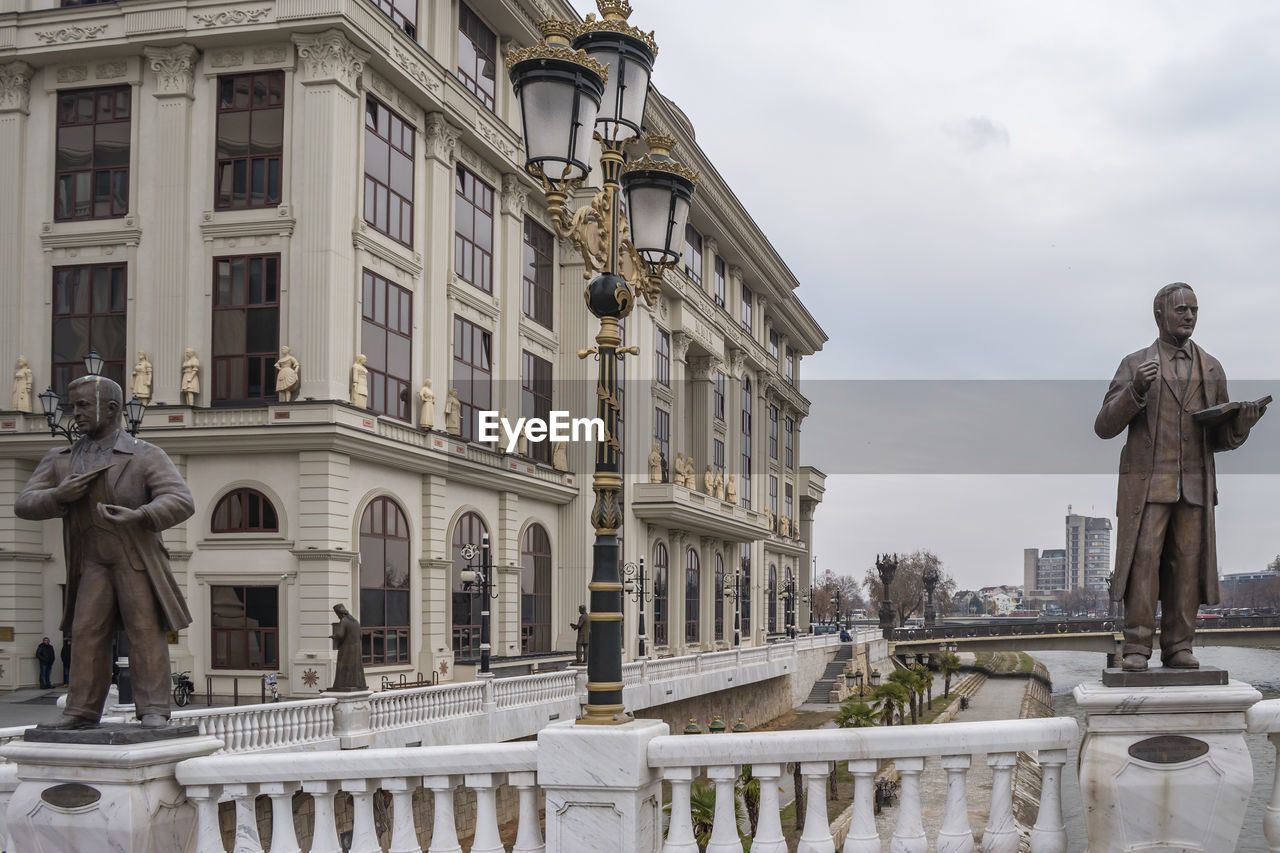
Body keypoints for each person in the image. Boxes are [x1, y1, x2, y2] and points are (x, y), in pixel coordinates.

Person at [1095, 283, 1265, 672]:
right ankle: (1137, 646)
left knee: (1187, 564)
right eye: (1181, 309)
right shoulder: (1134, 364)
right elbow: (1104, 426)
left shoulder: (1212, 368)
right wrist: (1135, 390)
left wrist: (1242, 425)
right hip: (1149, 486)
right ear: (1160, 315)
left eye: (1194, 310)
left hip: (1195, 488)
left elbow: (1218, 439)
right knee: (1143, 563)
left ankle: (1179, 645)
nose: (1189, 316)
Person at [15, 375, 194, 728]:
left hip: (134, 559)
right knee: (86, 632)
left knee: (144, 632)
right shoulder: (60, 458)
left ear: (111, 409)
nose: (74, 413)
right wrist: (57, 496)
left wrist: (141, 515)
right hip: (91, 561)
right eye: (72, 405)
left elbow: (180, 500)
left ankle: (154, 709)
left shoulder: (145, 455)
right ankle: (81, 710)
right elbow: (25, 503)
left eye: (82, 405)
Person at [328, 603, 367, 691]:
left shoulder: (344, 621)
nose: (338, 617)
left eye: (337, 614)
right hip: (356, 649)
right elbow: (361, 635)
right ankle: (357, 683)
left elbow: (340, 635)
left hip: (346, 649)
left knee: (344, 666)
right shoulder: (355, 621)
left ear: (339, 613)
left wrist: (335, 636)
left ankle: (344, 684)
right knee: (355, 667)